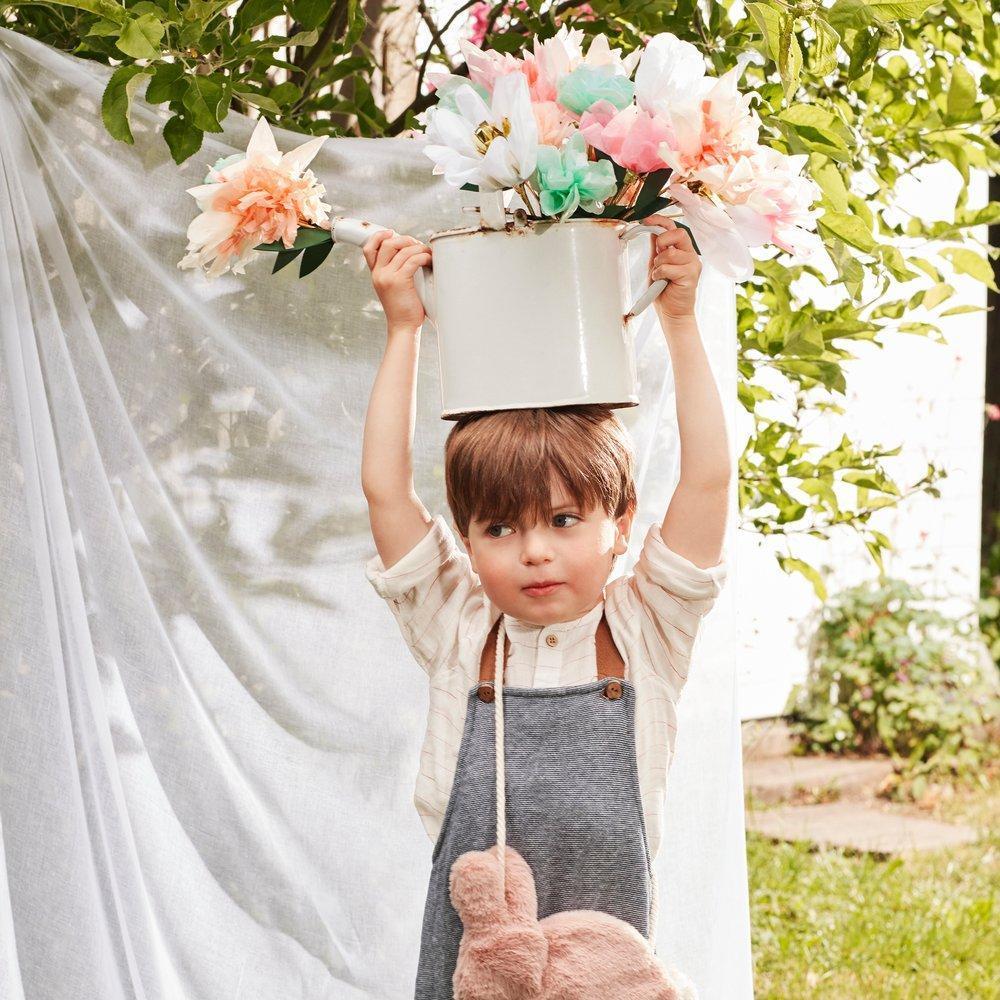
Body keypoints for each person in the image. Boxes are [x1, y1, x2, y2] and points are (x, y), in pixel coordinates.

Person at [360, 215, 731, 998]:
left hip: (610, 967)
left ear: (621, 525)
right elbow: (386, 491)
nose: (534, 551)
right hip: (476, 962)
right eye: (501, 527)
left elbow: (706, 481)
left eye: (564, 521)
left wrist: (680, 320)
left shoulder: (647, 630)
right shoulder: (460, 631)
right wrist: (403, 332)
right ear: (464, 536)